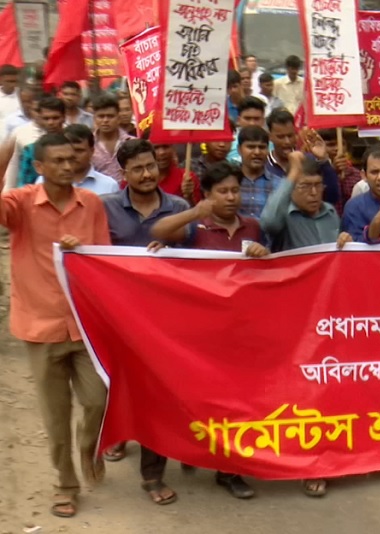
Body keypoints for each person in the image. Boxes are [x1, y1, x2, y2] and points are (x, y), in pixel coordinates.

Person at [0, 133, 111, 518]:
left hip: (85, 325)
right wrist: (4, 154)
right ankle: (65, 485)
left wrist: (81, 252)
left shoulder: (91, 203)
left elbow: (105, 259)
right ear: (39, 167)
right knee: (56, 415)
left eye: (72, 159)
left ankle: (89, 449)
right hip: (40, 326)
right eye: (58, 161)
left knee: (97, 401)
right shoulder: (21, 203)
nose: (68, 166)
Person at [150, 162, 267, 500]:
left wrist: (263, 254)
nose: (231, 197)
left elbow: (268, 271)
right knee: (195, 399)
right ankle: (192, 450)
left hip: (239, 331)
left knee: (236, 404)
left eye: (235, 190)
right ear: (208, 195)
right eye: (223, 192)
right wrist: (193, 213)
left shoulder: (253, 227)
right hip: (199, 332)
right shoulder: (194, 228)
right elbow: (159, 230)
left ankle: (229, 471)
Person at [100, 139, 190, 502]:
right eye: (137, 169)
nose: (146, 174)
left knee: (159, 393)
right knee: (119, 384)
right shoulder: (105, 208)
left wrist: (172, 251)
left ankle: (152, 476)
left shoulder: (179, 207)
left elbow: (197, 257)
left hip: (167, 318)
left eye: (150, 166)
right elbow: (94, 254)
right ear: (124, 173)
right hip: (119, 315)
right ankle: (122, 431)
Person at [260, 151, 352, 257]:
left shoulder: (330, 212)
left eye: (318, 185)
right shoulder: (284, 215)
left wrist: (346, 243)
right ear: (291, 188)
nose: (313, 192)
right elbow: (268, 223)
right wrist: (293, 173)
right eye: (305, 186)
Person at [265, 111, 339, 207]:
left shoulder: (309, 161)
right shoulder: (264, 165)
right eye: (281, 137)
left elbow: (332, 197)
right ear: (270, 137)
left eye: (290, 136)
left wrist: (323, 160)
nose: (287, 142)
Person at [0, 96, 65, 192]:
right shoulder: (23, 137)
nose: (51, 122)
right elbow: (13, 168)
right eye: (46, 118)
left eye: (55, 118)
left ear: (63, 117)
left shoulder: (72, 137)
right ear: (39, 117)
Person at [36, 124, 118, 195]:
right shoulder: (43, 181)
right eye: (68, 150)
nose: (73, 155)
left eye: (79, 150)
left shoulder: (109, 185)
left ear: (92, 151)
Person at [236, 126, 282, 218]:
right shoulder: (231, 182)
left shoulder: (279, 185)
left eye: (262, 147)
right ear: (239, 149)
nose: (257, 152)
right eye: (251, 147)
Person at [317, 128, 360, 214]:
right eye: (331, 145)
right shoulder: (315, 173)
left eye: (342, 143)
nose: (337, 148)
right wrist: (332, 172)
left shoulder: (356, 174)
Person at [91, 94, 133, 182]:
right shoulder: (88, 145)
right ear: (94, 118)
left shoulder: (131, 143)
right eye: (101, 116)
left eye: (110, 116)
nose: (105, 120)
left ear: (118, 117)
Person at [226, 96, 267, 164]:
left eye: (256, 119)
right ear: (238, 120)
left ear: (263, 120)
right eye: (247, 118)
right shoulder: (228, 145)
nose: (252, 123)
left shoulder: (272, 147)